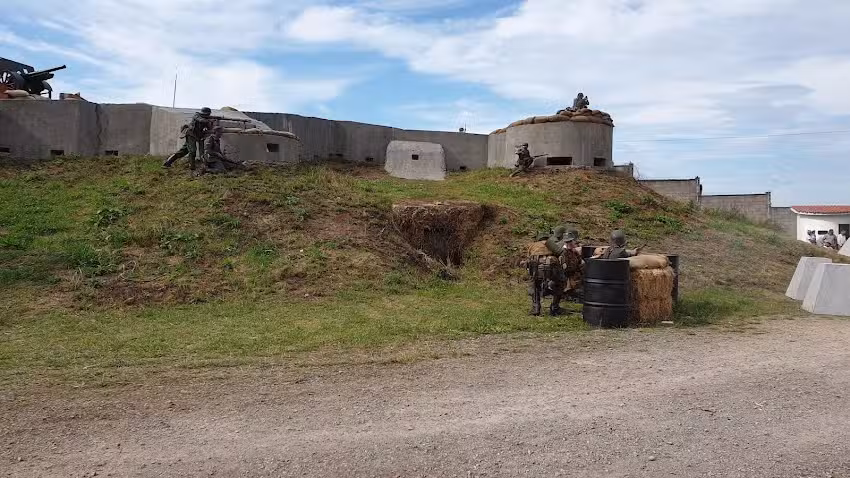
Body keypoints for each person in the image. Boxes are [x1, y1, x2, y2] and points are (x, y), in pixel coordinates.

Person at [525, 232, 566, 317]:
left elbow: (528, 258)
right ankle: (554, 307)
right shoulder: (551, 244)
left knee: (534, 285)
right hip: (551, 269)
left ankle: (536, 308)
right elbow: (560, 253)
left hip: (536, 269)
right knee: (560, 283)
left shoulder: (532, 245)